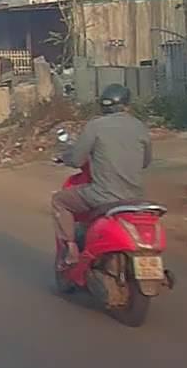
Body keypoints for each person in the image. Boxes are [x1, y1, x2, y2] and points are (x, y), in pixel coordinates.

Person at [53, 83, 152, 267]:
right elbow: (145, 162)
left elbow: (77, 160)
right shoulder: (140, 127)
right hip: (134, 198)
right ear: (127, 105)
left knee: (59, 200)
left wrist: (64, 157)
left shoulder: (95, 126)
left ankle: (71, 249)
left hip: (101, 196)